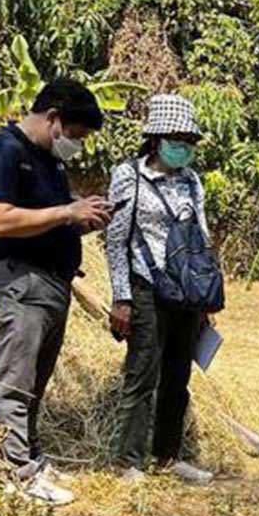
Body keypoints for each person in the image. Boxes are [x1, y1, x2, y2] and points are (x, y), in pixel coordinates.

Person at [0, 78, 110, 506]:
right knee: (12, 381)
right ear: (53, 119)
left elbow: (48, 215)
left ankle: (30, 459)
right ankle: (13, 472)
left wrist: (80, 218)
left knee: (35, 380)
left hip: (54, 283)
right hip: (24, 281)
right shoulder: (5, 150)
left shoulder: (49, 161)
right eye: (76, 135)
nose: (77, 145)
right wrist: (66, 211)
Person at [104, 94, 216, 486]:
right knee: (142, 374)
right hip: (146, 289)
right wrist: (121, 297)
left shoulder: (191, 181)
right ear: (155, 139)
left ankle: (168, 455)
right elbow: (116, 241)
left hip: (185, 292)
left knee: (177, 375)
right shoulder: (128, 177)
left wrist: (205, 295)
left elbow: (201, 235)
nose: (183, 145)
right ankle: (128, 460)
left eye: (189, 139)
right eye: (176, 137)